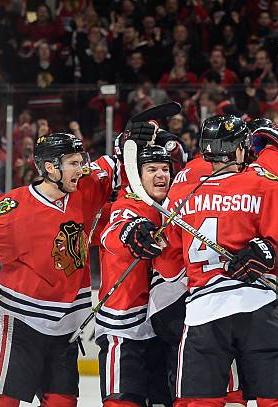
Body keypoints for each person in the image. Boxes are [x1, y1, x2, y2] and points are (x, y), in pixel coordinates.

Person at [152, 115, 278, 407]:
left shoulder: (180, 194)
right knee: (276, 402)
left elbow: (168, 269)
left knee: (197, 403)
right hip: (258, 310)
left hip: (202, 315)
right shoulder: (264, 185)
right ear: (240, 149)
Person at [0, 131, 120, 406]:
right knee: (1, 401)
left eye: (81, 161)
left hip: (66, 328)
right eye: (72, 162)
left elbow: (112, 167)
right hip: (20, 323)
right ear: (50, 168)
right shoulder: (17, 207)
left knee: (62, 402)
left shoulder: (85, 187)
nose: (80, 169)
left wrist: (131, 140)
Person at [96, 145, 173, 406]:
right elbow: (112, 233)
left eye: (165, 169)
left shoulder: (174, 204)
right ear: (137, 176)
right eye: (151, 169)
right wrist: (131, 233)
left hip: (162, 325)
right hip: (124, 326)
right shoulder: (129, 203)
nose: (160, 175)